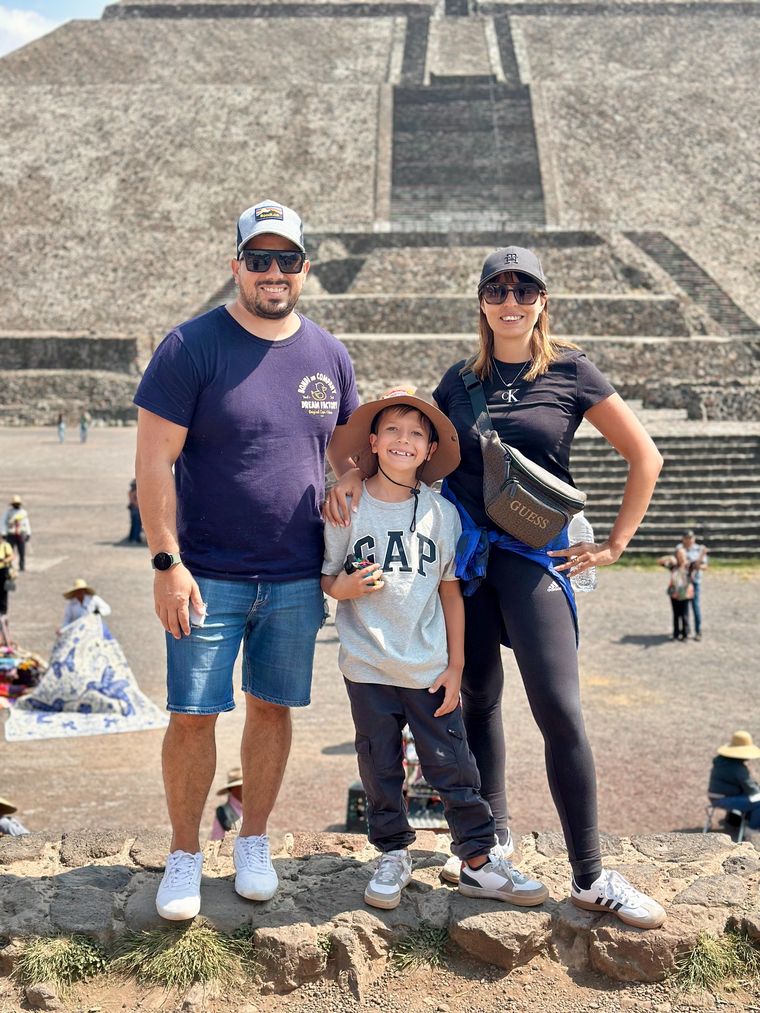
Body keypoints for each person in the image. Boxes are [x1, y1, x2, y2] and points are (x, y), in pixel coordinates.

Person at [326, 246, 667, 929]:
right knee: (477, 699)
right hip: (470, 566)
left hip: (536, 562)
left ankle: (591, 873)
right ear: (481, 301)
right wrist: (354, 476)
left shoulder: (571, 369)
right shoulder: (459, 379)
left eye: (525, 288)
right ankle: (491, 848)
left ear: (543, 299)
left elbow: (644, 454)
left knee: (559, 709)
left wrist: (615, 544)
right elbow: (411, 442)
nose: (511, 301)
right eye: (497, 289)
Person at [134, 198, 359, 921]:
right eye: (257, 259)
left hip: (294, 572)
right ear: (235, 265)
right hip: (207, 571)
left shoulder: (328, 353)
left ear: (304, 269)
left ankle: (252, 840)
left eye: (285, 260)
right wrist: (166, 562)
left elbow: (349, 449)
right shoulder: (190, 345)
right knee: (193, 713)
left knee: (273, 707)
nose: (272, 272)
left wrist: (348, 483)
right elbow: (154, 462)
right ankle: (183, 851)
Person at [324, 389, 548, 910]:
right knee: (379, 763)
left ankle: (478, 858)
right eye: (394, 431)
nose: (404, 441)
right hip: (367, 664)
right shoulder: (346, 506)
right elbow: (329, 577)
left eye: (417, 434)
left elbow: (450, 589)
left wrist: (457, 664)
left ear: (429, 452)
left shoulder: (442, 515)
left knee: (451, 762)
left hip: (427, 664)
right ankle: (392, 853)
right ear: (373, 442)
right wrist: (345, 591)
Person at [707, 730, 760, 831]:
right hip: (723, 799)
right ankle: (752, 829)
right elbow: (752, 789)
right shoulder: (737, 767)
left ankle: (737, 820)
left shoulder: (722, 760)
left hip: (715, 795)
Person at [675, 529, 708, 641]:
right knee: (683, 609)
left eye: (691, 538)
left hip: (695, 582)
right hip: (683, 582)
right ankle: (685, 630)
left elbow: (704, 566)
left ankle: (698, 631)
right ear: (683, 539)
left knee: (695, 606)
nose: (689, 541)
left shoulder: (699, 549)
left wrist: (698, 565)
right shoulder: (680, 548)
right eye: (687, 538)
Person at [658, 548, 693, 641]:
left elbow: (699, 565)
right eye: (679, 555)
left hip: (685, 594)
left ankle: (685, 634)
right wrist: (669, 557)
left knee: (685, 615)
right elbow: (659, 562)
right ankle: (676, 634)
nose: (681, 557)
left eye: (682, 554)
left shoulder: (689, 565)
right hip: (674, 593)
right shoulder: (674, 566)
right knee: (676, 615)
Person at [209, 767, 244, 842]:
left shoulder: (253, 810)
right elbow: (216, 841)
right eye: (242, 786)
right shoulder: (223, 813)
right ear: (233, 788)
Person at [2, 495, 31, 572]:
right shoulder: (8, 512)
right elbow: (3, 522)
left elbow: (26, 523)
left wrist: (28, 533)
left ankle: (22, 565)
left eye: (17, 503)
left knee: (22, 551)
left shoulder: (23, 512)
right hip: (11, 533)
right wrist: (4, 532)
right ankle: (9, 565)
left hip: (20, 533)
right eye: (15, 504)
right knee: (9, 551)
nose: (16, 505)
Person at [0, 534, 15, 646]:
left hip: (3, 571)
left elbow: (11, 556)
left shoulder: (5, 546)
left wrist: (4, 560)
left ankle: (3, 610)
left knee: (3, 592)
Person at [127, 479, 142, 544]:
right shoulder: (135, 492)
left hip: (133, 509)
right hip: (136, 509)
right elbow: (135, 502)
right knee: (137, 525)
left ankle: (132, 537)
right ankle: (135, 539)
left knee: (134, 524)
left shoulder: (130, 491)